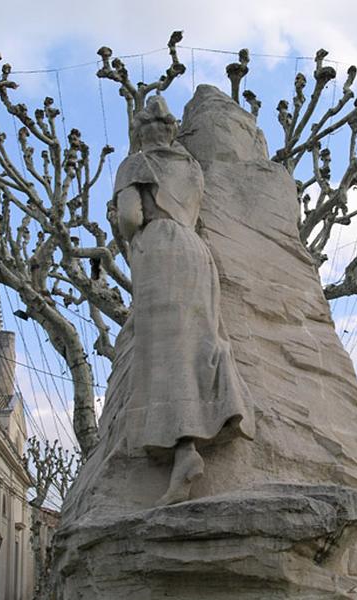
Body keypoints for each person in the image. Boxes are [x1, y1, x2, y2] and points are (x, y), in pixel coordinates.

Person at [110, 95, 254, 505]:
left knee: (164, 354)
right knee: (198, 342)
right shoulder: (190, 168)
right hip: (195, 251)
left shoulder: (135, 164)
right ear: (172, 131)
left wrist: (126, 227)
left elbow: (131, 218)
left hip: (159, 250)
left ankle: (183, 452)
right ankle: (205, 428)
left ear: (141, 132)